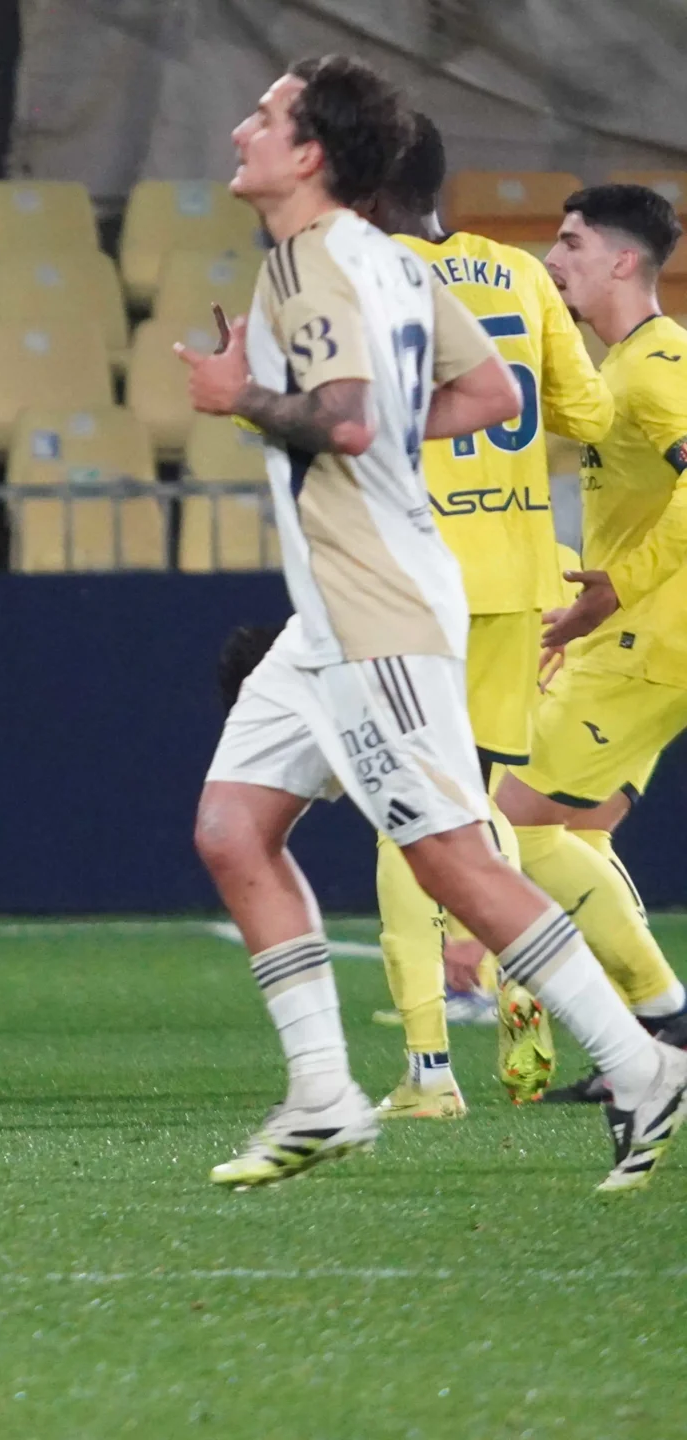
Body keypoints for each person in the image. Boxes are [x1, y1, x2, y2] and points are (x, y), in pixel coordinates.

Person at [175, 54, 686, 1193]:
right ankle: (322, 1095)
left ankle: (641, 1062)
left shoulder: (317, 268)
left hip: (379, 607)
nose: (237, 134)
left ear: (310, 155)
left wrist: (239, 400)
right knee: (230, 827)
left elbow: (348, 426)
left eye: (261, 117)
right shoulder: (386, 262)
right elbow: (493, 396)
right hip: (336, 607)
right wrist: (355, 435)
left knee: (452, 858)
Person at [352, 114, 615, 1116]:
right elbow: (586, 417)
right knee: (481, 809)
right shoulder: (514, 272)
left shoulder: (360, 281)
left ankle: (427, 1071)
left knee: (398, 816)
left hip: (409, 579)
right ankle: (524, 998)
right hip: (512, 577)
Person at [491, 184, 687, 1091]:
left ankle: (666, 1027)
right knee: (581, 835)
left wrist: (616, 590)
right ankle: (642, 1048)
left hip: (651, 641)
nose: (553, 258)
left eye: (570, 243)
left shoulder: (656, 367)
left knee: (507, 830)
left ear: (622, 260)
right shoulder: (625, 365)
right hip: (637, 637)